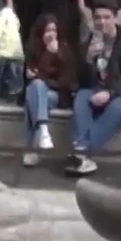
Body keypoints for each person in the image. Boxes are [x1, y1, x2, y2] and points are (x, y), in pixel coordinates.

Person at [66, 0, 121, 177]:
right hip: (96, 89)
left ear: (115, 18)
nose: (102, 22)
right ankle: (83, 157)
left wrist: (111, 93)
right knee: (81, 99)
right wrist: (87, 59)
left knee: (117, 107)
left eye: (106, 17)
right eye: (98, 18)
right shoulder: (89, 42)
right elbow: (80, 79)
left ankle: (80, 150)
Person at [21, 13, 76, 164]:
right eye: (47, 31)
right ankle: (43, 130)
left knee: (35, 90)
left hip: (59, 95)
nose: (51, 34)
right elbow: (29, 75)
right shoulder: (33, 49)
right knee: (34, 92)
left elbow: (66, 81)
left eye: (54, 30)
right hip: (39, 93)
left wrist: (55, 55)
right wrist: (46, 55)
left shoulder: (64, 50)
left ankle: (32, 148)